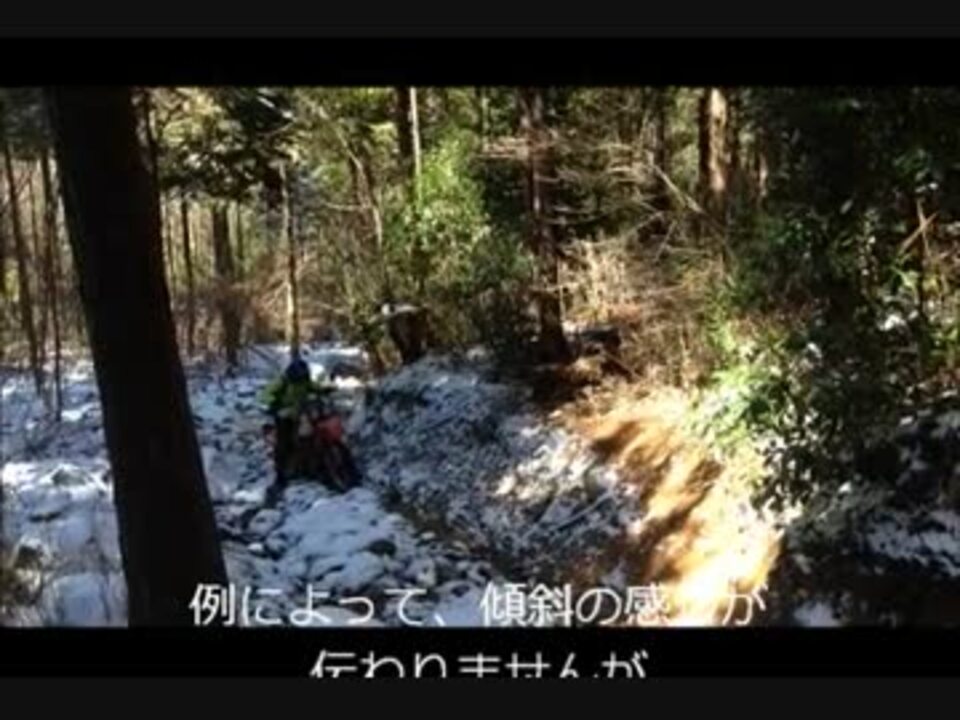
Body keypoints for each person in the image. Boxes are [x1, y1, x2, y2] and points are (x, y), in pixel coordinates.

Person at [259, 355, 329, 496]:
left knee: (311, 436)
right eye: (299, 378)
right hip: (284, 415)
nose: (301, 380)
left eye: (303, 377)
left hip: (302, 412)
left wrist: (325, 389)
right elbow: (264, 395)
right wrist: (275, 404)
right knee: (284, 444)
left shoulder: (304, 381)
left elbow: (313, 387)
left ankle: (314, 467)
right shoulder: (282, 382)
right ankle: (280, 477)